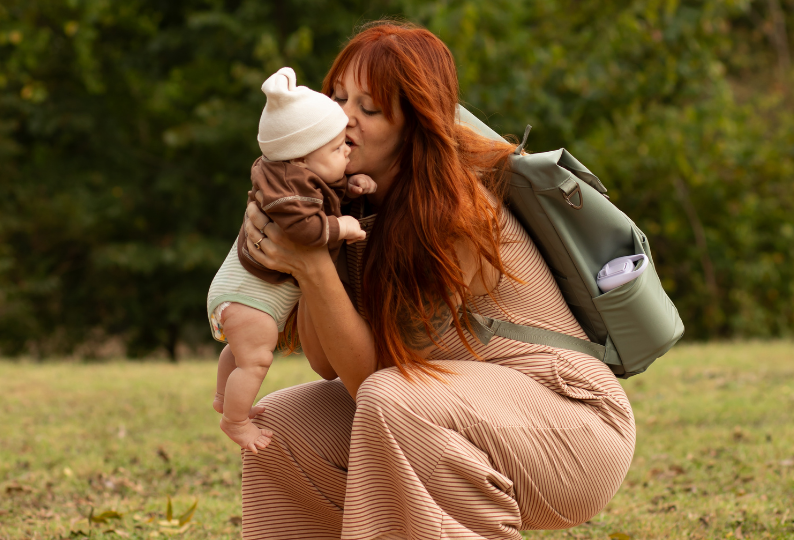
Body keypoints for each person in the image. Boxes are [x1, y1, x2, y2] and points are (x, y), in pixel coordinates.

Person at [238, 21, 636, 540]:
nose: (344, 118)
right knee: (280, 426)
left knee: (389, 397)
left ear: (414, 126)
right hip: (457, 411)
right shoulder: (343, 205)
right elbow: (325, 362)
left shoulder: (454, 215)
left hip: (573, 427)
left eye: (370, 108)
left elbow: (372, 383)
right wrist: (306, 247)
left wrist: (311, 263)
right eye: (337, 98)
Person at [206, 67, 375, 454]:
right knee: (256, 359)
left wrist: (352, 185)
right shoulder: (290, 195)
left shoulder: (291, 176)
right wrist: (343, 227)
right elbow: (306, 231)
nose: (347, 149)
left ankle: (222, 395)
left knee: (238, 350)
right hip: (252, 299)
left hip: (236, 293)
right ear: (302, 161)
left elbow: (323, 191)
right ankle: (235, 420)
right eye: (337, 149)